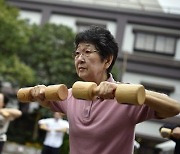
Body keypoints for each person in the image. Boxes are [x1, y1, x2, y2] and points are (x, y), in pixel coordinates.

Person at [30, 25, 180, 154]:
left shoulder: (125, 97)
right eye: (77, 53)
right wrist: (40, 92)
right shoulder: (71, 95)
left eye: (87, 52)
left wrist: (126, 91)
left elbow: (173, 108)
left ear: (107, 60)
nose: (80, 59)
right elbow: (47, 101)